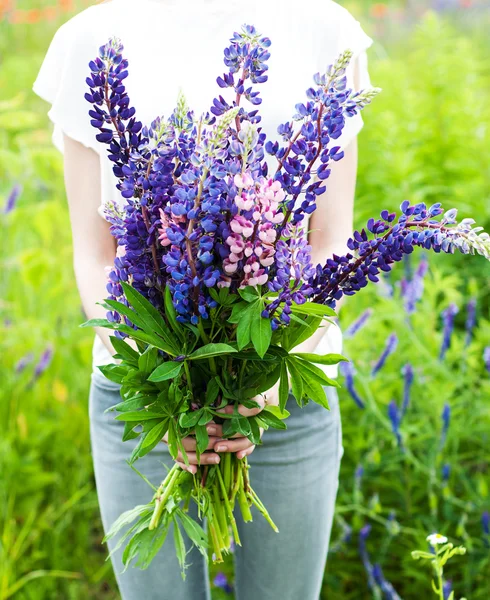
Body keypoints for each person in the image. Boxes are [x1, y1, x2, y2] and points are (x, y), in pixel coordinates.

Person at [33, 1, 374, 598]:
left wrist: (265, 378)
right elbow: (97, 256)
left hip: (284, 395)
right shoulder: (89, 37)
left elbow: (328, 244)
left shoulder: (326, 28)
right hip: (140, 381)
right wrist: (168, 387)